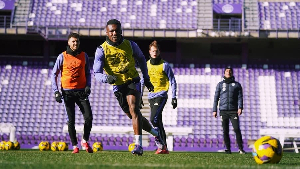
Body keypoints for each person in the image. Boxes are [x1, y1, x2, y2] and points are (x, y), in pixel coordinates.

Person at [93, 19, 165, 156]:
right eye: (111, 31)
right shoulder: (101, 50)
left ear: (121, 31)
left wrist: (146, 78)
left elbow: (142, 59)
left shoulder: (130, 45)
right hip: (117, 86)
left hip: (133, 80)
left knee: (133, 108)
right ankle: (156, 133)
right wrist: (105, 78)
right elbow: (96, 73)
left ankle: (139, 145)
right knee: (131, 114)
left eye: (117, 30)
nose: (114, 33)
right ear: (106, 32)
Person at [51, 32, 93, 154]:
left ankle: (84, 140)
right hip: (67, 92)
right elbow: (54, 74)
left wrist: (88, 86)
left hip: (81, 92)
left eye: (77, 41)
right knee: (71, 120)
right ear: (68, 43)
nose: (75, 43)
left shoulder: (84, 56)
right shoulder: (62, 57)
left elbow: (88, 73)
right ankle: (75, 146)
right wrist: (56, 92)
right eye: (73, 41)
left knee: (89, 118)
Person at [144, 40, 177, 154]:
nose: (155, 53)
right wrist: (139, 98)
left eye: (156, 51)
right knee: (158, 122)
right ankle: (164, 147)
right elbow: (144, 80)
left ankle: (160, 145)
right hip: (151, 96)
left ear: (159, 52)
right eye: (153, 51)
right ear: (149, 52)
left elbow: (172, 81)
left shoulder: (165, 65)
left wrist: (174, 97)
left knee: (153, 119)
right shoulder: (146, 64)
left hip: (161, 95)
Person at [213, 67, 246, 154]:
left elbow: (240, 97)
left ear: (232, 73)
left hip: (233, 110)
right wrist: (214, 110)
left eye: (230, 71)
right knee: (225, 130)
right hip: (223, 111)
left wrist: (240, 107)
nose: (228, 72)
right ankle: (228, 149)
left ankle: (241, 149)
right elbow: (216, 97)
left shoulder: (237, 85)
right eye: (227, 71)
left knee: (236, 129)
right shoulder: (220, 84)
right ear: (224, 73)